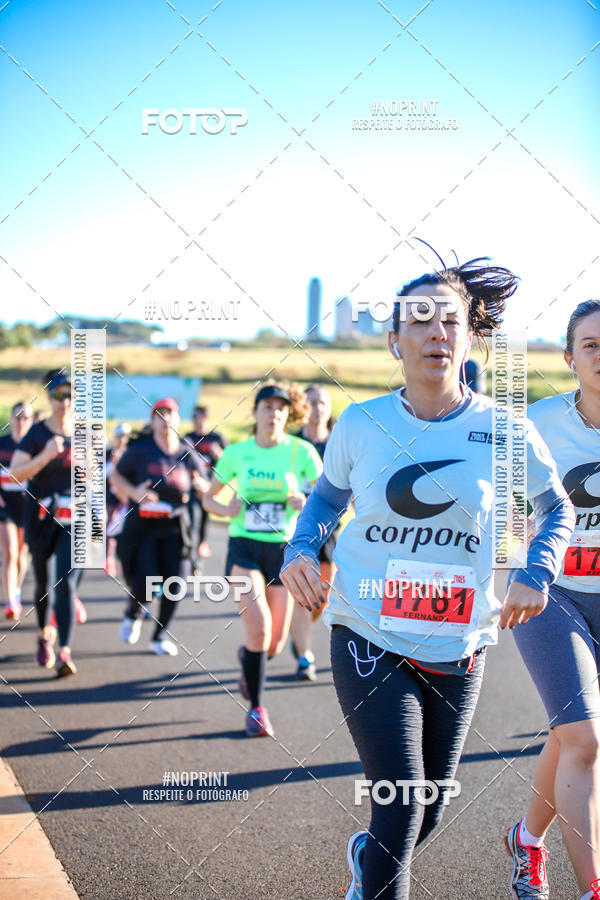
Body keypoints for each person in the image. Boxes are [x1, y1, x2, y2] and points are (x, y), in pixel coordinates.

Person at [281, 257, 575, 900]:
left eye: (452, 321)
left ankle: (368, 857)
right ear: (395, 341)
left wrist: (538, 567)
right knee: (404, 803)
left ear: (468, 340)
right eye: (420, 320)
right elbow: (325, 503)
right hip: (367, 632)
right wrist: (299, 551)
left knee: (430, 810)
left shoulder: (504, 429)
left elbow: (558, 508)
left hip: (459, 644)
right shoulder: (362, 424)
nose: (437, 331)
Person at [505, 299, 600, 900]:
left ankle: (526, 838)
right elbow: (496, 503)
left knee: (568, 736)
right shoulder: (537, 423)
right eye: (592, 345)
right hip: (550, 596)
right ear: (569, 358)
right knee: (587, 738)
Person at [202, 383, 322, 737]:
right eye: (267, 407)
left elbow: (327, 495)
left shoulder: (302, 451)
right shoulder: (237, 454)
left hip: (282, 551)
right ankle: (256, 710)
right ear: (255, 413)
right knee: (259, 627)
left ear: (288, 415)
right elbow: (209, 499)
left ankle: (249, 659)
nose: (274, 414)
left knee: (274, 644)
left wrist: (306, 499)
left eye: (281, 409)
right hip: (244, 547)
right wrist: (226, 508)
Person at [110, 398, 209, 656]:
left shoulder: (187, 451)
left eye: (170, 414)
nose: (166, 420)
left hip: (177, 528)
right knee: (146, 579)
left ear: (178, 420)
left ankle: (159, 636)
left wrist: (202, 488)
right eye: (160, 415)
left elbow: (206, 483)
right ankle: (133, 613)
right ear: (152, 421)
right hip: (144, 528)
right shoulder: (141, 450)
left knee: (175, 584)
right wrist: (134, 492)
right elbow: (116, 476)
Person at [10, 370, 82, 677]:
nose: (64, 402)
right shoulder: (37, 434)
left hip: (72, 519)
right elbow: (16, 473)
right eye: (58, 396)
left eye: (69, 396)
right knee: (43, 585)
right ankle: (43, 634)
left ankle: (65, 651)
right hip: (41, 517)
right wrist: (45, 456)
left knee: (66, 584)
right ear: (49, 397)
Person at [289, 384, 338, 681]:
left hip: (330, 530)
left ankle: (300, 632)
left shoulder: (337, 446)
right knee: (302, 595)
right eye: (312, 403)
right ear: (303, 409)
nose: (317, 408)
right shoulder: (291, 446)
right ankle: (304, 656)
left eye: (322, 403)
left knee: (321, 597)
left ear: (329, 408)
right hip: (297, 528)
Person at [0, 402, 33, 619]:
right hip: (4, 504)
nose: (21, 422)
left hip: (27, 507)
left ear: (30, 421)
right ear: (11, 419)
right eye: (18, 417)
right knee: (10, 551)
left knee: (22, 554)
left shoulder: (34, 446)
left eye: (25, 418)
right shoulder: (2, 443)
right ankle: (10, 600)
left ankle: (17, 590)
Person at [184, 406, 227, 561]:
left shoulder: (217, 438)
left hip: (211, 487)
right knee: (193, 519)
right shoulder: (188, 438)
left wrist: (220, 455)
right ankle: (192, 556)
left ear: (206, 418)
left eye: (199, 416)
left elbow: (230, 463)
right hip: (193, 487)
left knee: (203, 518)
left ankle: (201, 545)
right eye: (194, 417)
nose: (196, 420)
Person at [105, 423, 131, 578]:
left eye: (125, 436)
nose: (122, 439)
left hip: (125, 498)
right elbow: (99, 475)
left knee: (124, 530)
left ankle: (122, 559)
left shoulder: (131, 453)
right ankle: (108, 559)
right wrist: (112, 465)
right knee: (109, 528)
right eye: (120, 436)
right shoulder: (108, 453)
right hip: (110, 499)